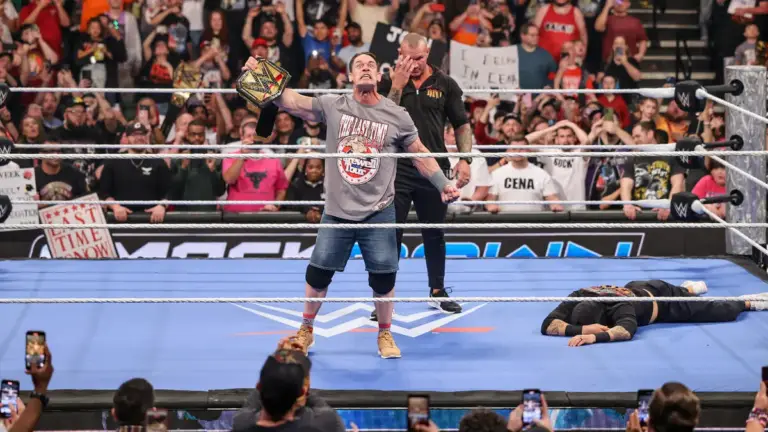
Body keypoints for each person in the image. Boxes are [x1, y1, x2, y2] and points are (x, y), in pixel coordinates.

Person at [241, 52, 459, 359]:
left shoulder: (397, 115)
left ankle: (385, 333)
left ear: (379, 77)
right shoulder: (334, 105)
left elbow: (420, 153)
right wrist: (261, 73)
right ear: (351, 77)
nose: (366, 68)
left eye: (371, 65)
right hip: (337, 211)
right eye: (360, 65)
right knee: (318, 274)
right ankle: (306, 329)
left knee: (384, 278)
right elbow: (291, 101)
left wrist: (443, 183)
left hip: (379, 211)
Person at [377, 33, 472, 318]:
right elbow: (383, 119)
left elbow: (461, 124)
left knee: (434, 231)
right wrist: (397, 85)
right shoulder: (387, 82)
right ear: (399, 53)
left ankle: (438, 292)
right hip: (398, 168)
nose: (414, 64)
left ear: (428, 52)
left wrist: (466, 159)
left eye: (419, 58)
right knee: (390, 234)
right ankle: (384, 298)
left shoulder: (446, 84)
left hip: (434, 168)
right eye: (408, 58)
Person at [541, 280, 768, 346]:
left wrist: (593, 337)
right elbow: (547, 324)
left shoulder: (619, 306)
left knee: (719, 311)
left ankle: (750, 302)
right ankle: (688, 289)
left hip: (665, 301)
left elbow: (626, 331)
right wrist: (580, 329)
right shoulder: (580, 294)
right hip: (639, 285)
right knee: (684, 293)